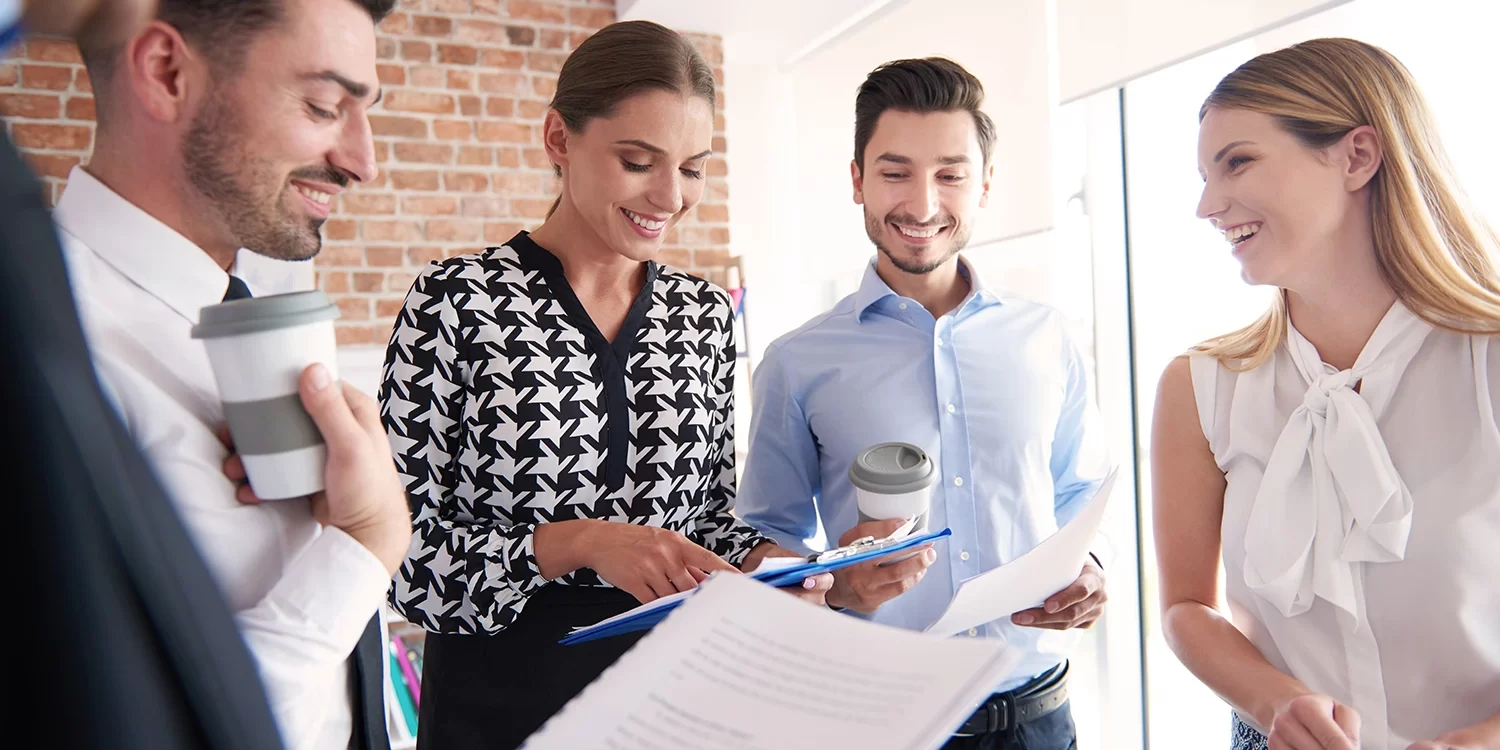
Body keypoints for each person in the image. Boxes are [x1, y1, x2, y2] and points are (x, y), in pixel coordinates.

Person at [379, 19, 832, 750]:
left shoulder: (704, 315)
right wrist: (577, 543)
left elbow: (709, 514)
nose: (670, 195)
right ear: (560, 139)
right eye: (637, 160)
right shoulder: (456, 301)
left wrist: (765, 562)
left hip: (679, 704)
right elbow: (403, 563)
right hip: (501, 713)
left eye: (691, 167)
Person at [54, 1, 412, 749]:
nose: (362, 161)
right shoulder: (45, 351)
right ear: (167, 72)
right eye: (323, 105)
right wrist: (365, 545)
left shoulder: (261, 312)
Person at [736, 57, 1113, 750]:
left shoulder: (1047, 337)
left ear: (985, 184)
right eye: (894, 172)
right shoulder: (796, 361)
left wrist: (1092, 572)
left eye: (950, 173)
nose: (922, 204)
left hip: (1039, 719)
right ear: (856, 180)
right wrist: (836, 589)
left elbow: (1077, 495)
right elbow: (769, 543)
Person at [1153, 37, 1500, 750]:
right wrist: (1277, 701)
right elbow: (1188, 606)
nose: (1207, 205)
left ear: (1358, 157)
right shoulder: (1199, 388)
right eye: (1204, 174)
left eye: (1237, 162)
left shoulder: (1488, 362)